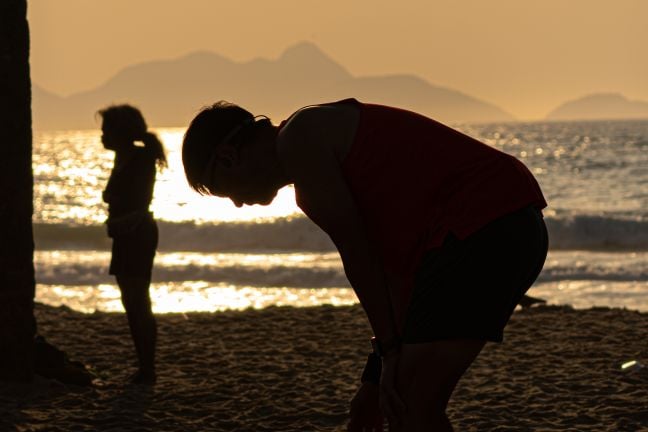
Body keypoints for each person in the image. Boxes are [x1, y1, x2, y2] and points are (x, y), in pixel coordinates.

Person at [181, 98, 548, 430]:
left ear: (229, 157)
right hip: (506, 226)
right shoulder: (309, 177)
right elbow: (395, 277)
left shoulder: (300, 137)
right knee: (403, 403)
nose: (236, 205)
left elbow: (359, 255)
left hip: (487, 224)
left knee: (412, 406)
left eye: (220, 188)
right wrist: (374, 378)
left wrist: (389, 355)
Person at [98, 104, 166, 385]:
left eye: (106, 130)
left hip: (137, 234)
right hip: (127, 236)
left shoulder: (140, 159)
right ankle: (144, 367)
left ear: (120, 132)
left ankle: (147, 369)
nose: (102, 136)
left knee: (138, 301)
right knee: (132, 301)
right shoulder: (124, 158)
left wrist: (120, 222)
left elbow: (139, 203)